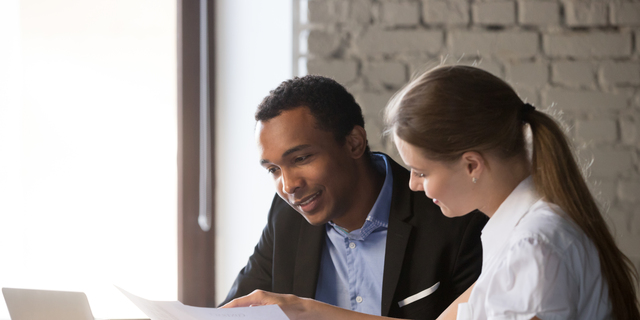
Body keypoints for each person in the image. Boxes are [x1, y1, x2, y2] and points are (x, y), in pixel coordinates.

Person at [222, 66, 640, 320]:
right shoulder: (518, 236)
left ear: (471, 165)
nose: (413, 183)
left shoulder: (531, 247)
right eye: (274, 169)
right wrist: (305, 310)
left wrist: (307, 312)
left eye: (421, 171)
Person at [220, 75, 488, 319]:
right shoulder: (285, 215)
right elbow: (233, 311)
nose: (288, 185)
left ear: (354, 143)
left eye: (301, 158)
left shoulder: (453, 220)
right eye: (273, 170)